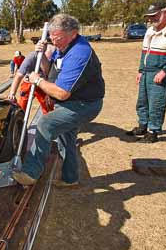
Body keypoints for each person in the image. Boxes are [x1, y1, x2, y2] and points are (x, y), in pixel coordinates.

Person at [12, 14, 105, 187]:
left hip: (84, 105)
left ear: (74, 33)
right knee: (66, 139)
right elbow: (52, 73)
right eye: (52, 38)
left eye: (59, 39)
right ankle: (70, 179)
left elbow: (62, 93)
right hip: (71, 102)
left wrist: (37, 80)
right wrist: (43, 56)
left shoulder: (79, 53)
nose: (55, 43)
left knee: (46, 123)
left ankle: (31, 173)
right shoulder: (64, 46)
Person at [126, 2, 166, 143]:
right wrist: (140, 70)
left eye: (155, 15)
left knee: (157, 103)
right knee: (142, 102)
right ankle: (142, 126)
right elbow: (145, 53)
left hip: (159, 74)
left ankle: (152, 131)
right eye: (149, 17)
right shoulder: (150, 30)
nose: (151, 19)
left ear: (165, 12)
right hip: (146, 72)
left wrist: (164, 71)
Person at [7, 44, 56, 113]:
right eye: (46, 58)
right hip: (28, 82)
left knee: (47, 106)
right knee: (22, 107)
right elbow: (18, 76)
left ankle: (48, 119)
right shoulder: (32, 57)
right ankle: (20, 120)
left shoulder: (54, 60)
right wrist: (12, 93)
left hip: (42, 83)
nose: (48, 61)